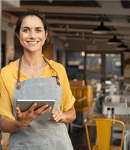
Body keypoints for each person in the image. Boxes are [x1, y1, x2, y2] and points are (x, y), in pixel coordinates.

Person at [0, 9, 76, 150]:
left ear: (45, 34)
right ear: (18, 35)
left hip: (58, 145)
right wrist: (20, 123)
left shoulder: (58, 70)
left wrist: (62, 116)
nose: (32, 36)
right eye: (26, 30)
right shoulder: (6, 73)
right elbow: (3, 123)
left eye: (38, 30)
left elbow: (72, 112)